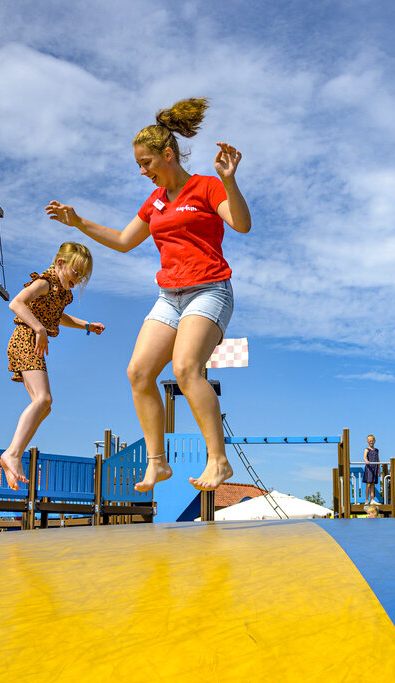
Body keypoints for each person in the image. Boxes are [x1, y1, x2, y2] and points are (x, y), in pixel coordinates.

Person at [46, 97, 251, 493]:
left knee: (185, 367)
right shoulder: (156, 200)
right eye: (138, 165)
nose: (143, 172)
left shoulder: (205, 188)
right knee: (138, 372)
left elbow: (241, 224)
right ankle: (157, 464)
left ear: (168, 155)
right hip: (169, 296)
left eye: (147, 163)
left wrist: (229, 179)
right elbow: (124, 241)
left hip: (209, 290)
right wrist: (78, 221)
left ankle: (218, 459)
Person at [0, 242, 103, 490]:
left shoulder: (62, 293)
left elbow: (59, 316)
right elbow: (16, 303)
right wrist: (38, 328)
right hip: (25, 338)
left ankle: (14, 458)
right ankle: (12, 454)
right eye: (75, 272)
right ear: (60, 264)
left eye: (82, 276)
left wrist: (86, 325)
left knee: (44, 406)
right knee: (44, 399)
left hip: (30, 342)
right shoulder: (45, 282)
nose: (77, 280)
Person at [362, 434, 380, 504]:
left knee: (373, 484)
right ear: (367, 442)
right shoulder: (367, 449)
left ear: (374, 441)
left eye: (372, 441)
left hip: (375, 468)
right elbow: (364, 457)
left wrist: (379, 470)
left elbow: (378, 460)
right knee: (368, 484)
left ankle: (372, 499)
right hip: (369, 467)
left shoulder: (376, 450)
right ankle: (367, 499)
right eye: (370, 441)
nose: (371, 442)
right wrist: (366, 461)